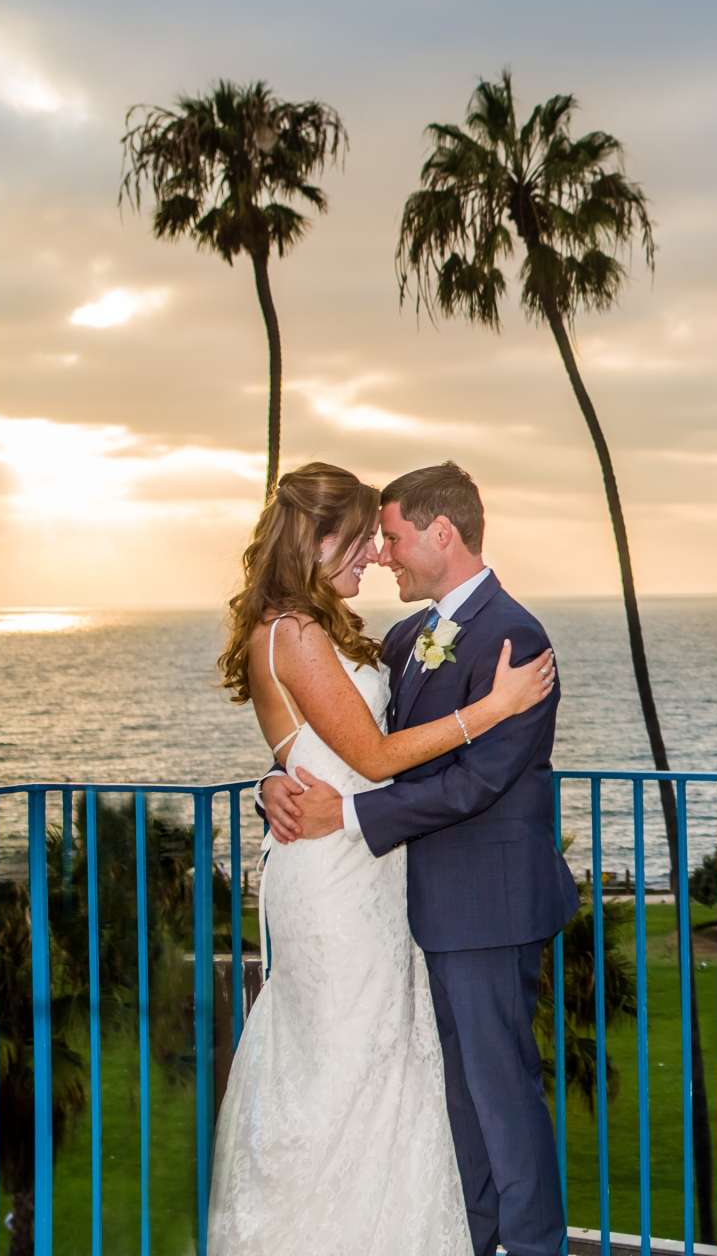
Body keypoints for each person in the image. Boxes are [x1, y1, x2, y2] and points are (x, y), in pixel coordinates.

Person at [245, 462, 574, 1256]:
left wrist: (349, 813)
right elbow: (340, 741)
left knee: (501, 1098)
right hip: (403, 899)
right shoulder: (402, 636)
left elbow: (479, 782)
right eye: (371, 542)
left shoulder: (513, 636)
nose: (383, 556)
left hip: (484, 901)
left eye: (389, 538)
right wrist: (276, 780)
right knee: (448, 1099)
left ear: (442, 533)